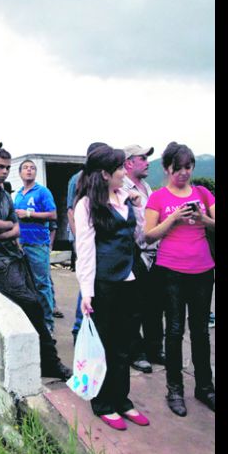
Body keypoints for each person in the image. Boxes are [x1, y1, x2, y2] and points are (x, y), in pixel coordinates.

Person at [0, 147, 72, 381]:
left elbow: (14, 228)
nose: (4, 172)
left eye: (7, 168)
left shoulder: (4, 194)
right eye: (0, 167)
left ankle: (49, 361)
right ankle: (49, 363)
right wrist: (5, 228)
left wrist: (2, 232)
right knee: (32, 304)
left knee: (38, 303)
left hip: (13, 256)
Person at [75, 144, 150, 431]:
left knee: (125, 344)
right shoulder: (87, 205)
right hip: (105, 283)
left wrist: (137, 204)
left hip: (130, 279)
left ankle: (123, 400)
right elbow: (85, 250)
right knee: (105, 346)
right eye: (120, 168)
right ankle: (104, 403)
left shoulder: (126, 197)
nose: (124, 172)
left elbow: (139, 235)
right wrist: (87, 292)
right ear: (105, 173)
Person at [144, 142, 215, 416]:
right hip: (171, 271)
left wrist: (202, 218)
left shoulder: (203, 193)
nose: (184, 173)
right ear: (166, 168)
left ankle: (205, 387)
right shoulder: (159, 198)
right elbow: (148, 235)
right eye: (178, 169)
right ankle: (174, 389)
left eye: (188, 168)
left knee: (200, 331)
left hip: (203, 270)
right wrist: (173, 217)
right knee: (174, 331)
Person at [122, 144, 164, 374]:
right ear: (129, 162)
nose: (148, 161)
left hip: (154, 253)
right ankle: (135, 352)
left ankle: (154, 349)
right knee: (133, 307)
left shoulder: (146, 186)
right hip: (134, 253)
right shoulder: (122, 188)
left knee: (155, 305)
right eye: (142, 158)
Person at [69, 142, 108, 345]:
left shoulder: (118, 191)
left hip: (105, 257)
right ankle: (79, 331)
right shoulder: (77, 182)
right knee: (86, 292)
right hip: (89, 247)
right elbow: (71, 210)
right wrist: (81, 240)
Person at [14, 159, 59, 335]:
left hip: (38, 243)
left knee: (42, 284)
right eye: (25, 168)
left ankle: (48, 324)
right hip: (21, 243)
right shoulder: (18, 194)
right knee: (27, 285)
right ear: (20, 173)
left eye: (32, 168)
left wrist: (29, 214)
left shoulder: (42, 191)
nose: (29, 170)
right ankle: (34, 321)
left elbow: (53, 214)